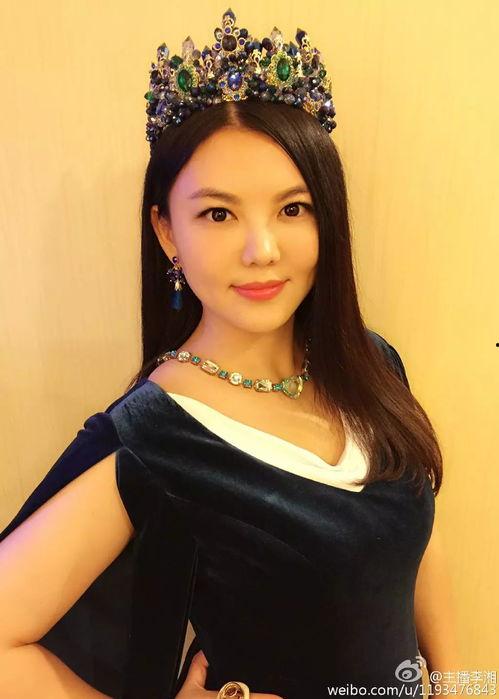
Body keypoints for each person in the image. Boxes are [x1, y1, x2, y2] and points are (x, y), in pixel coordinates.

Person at [0, 8, 456, 699]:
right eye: (218, 213)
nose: (261, 250)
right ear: (167, 232)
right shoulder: (155, 438)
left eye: (292, 209)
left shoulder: (370, 364)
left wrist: (459, 683)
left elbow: (415, 547)